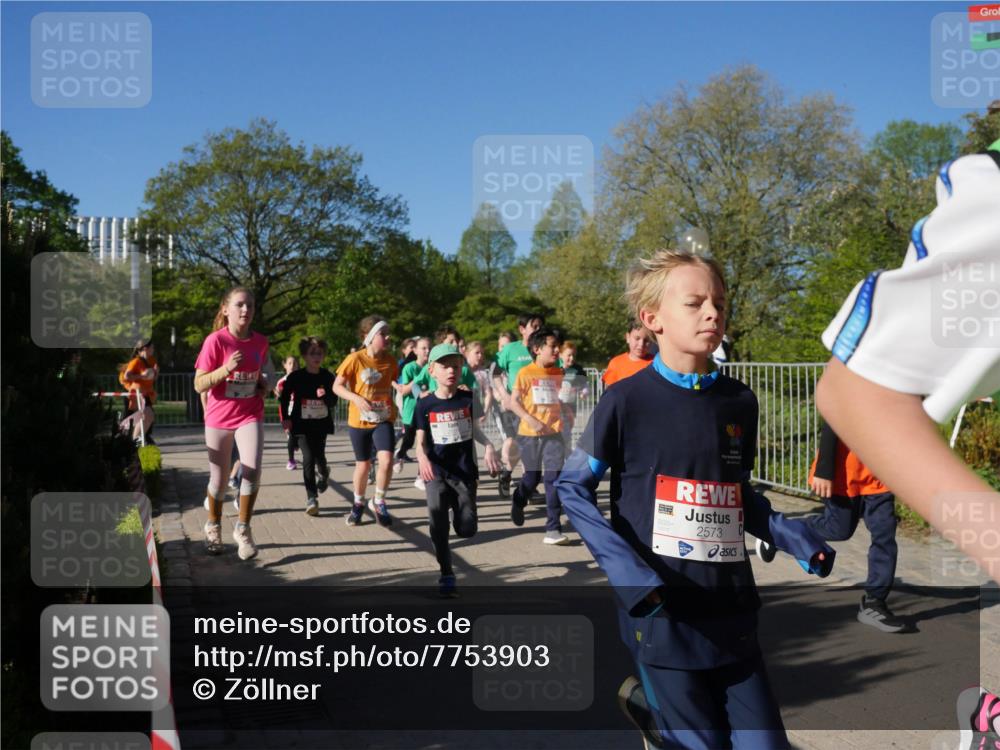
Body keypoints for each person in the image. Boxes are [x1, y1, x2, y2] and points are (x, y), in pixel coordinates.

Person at [555, 249, 833, 749]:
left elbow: (735, 494)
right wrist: (629, 575)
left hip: (731, 610)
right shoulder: (625, 401)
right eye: (695, 303)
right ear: (652, 319)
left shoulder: (739, 402)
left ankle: (650, 712)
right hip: (662, 612)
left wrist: (795, 536)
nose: (713, 313)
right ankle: (656, 712)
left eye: (720, 303)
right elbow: (572, 488)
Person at [810, 143, 1000, 750]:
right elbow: (847, 400)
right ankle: (783, 536)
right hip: (852, 469)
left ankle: (874, 601)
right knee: (836, 532)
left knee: (885, 536)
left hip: (885, 474)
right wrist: (820, 468)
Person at [757, 422, 905, 633]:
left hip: (880, 474)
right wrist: (824, 470)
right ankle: (782, 531)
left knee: (885, 532)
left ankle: (874, 602)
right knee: (839, 529)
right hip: (844, 471)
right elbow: (833, 420)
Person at [414, 343, 502, 597]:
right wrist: (422, 458)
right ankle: (447, 573)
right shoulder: (425, 404)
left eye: (456, 365)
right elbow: (419, 439)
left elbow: (474, 429)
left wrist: (488, 446)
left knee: (466, 529)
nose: (451, 370)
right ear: (432, 371)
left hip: (464, 473)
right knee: (437, 523)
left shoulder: (467, 398)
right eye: (445, 366)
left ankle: (460, 515)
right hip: (436, 473)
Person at [193, 286, 275, 560]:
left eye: (250, 305)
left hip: (250, 413)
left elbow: (266, 374)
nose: (246, 310)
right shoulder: (215, 341)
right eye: (240, 305)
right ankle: (213, 525)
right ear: (226, 309)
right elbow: (199, 384)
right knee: (218, 479)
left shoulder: (261, 342)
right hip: (218, 417)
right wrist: (225, 369)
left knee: (251, 470)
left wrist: (264, 384)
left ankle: (243, 528)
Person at [333, 315, 399, 527]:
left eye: (388, 333)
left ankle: (379, 500)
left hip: (383, 419)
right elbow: (337, 386)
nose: (388, 337)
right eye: (383, 333)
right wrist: (356, 398)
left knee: (387, 460)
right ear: (368, 337)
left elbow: (398, 383)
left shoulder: (390, 361)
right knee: (363, 465)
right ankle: (358, 503)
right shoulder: (355, 359)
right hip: (359, 421)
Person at [508, 326, 568, 545]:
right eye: (552, 347)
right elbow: (513, 402)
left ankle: (553, 527)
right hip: (529, 434)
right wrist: (531, 419)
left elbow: (562, 400)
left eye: (557, 347)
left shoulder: (559, 372)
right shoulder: (525, 373)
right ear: (536, 349)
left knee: (554, 479)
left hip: (554, 434)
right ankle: (519, 498)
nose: (556, 351)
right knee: (532, 478)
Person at [280, 337, 336, 516]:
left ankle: (324, 473)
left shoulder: (327, 376)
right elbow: (284, 397)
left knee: (319, 456)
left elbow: (333, 401)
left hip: (320, 424)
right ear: (304, 355)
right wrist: (286, 418)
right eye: (312, 353)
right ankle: (311, 498)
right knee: (308, 457)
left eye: (319, 353)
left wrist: (325, 396)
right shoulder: (296, 377)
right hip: (301, 425)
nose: (316, 356)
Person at [492, 314, 544, 498]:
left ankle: (523, 481)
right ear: (522, 329)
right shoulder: (511, 350)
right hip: (514, 406)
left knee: (531, 446)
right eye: (534, 326)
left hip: (537, 408)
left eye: (540, 326)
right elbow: (495, 373)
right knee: (518, 443)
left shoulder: (543, 349)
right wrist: (504, 395)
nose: (537, 329)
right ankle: (513, 477)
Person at [392, 336, 431, 475]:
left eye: (429, 348)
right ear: (415, 350)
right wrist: (420, 392)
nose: (427, 351)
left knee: (426, 443)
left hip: (428, 410)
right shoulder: (409, 367)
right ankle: (400, 454)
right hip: (412, 409)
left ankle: (422, 475)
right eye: (424, 348)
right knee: (409, 440)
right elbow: (405, 388)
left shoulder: (432, 366)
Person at [119, 339, 158, 444]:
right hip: (135, 394)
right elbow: (127, 376)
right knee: (146, 415)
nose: (153, 350)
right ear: (145, 348)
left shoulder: (151, 361)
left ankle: (138, 439)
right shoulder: (136, 361)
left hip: (146, 393)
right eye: (152, 348)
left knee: (148, 417)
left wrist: (155, 373)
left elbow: (152, 378)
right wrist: (142, 376)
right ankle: (134, 440)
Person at [602, 320, 653, 388]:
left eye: (646, 340)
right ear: (628, 337)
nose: (641, 344)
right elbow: (610, 394)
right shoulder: (616, 364)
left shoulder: (656, 363)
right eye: (637, 338)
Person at [558, 340, 588, 453]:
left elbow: (585, 385)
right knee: (560, 434)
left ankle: (566, 458)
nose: (572, 358)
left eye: (573, 355)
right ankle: (564, 457)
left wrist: (584, 392)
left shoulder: (578, 369)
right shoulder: (555, 367)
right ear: (560, 354)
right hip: (556, 407)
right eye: (568, 355)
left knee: (566, 433)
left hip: (570, 406)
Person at [275, 355, 300, 470]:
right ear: (284, 365)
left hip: (301, 412)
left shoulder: (303, 379)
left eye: (295, 363)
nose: (292, 366)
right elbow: (279, 398)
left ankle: (296, 443)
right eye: (290, 363)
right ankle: (291, 460)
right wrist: (278, 395)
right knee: (290, 435)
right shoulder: (281, 382)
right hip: (287, 413)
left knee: (299, 437)